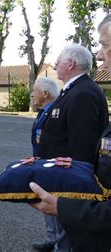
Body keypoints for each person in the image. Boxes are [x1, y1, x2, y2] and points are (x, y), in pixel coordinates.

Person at [29, 15, 111, 252]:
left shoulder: (83, 92)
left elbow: (82, 146)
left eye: (105, 46)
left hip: (75, 187)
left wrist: (72, 200)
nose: (100, 55)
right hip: (73, 191)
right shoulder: (72, 91)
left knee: (71, 239)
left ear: (71, 64)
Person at [30, 78, 61, 252]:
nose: (32, 94)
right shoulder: (42, 111)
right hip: (41, 161)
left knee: (54, 203)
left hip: (53, 165)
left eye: (34, 91)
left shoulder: (57, 111)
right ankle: (52, 238)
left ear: (45, 94)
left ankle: (60, 244)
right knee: (45, 201)